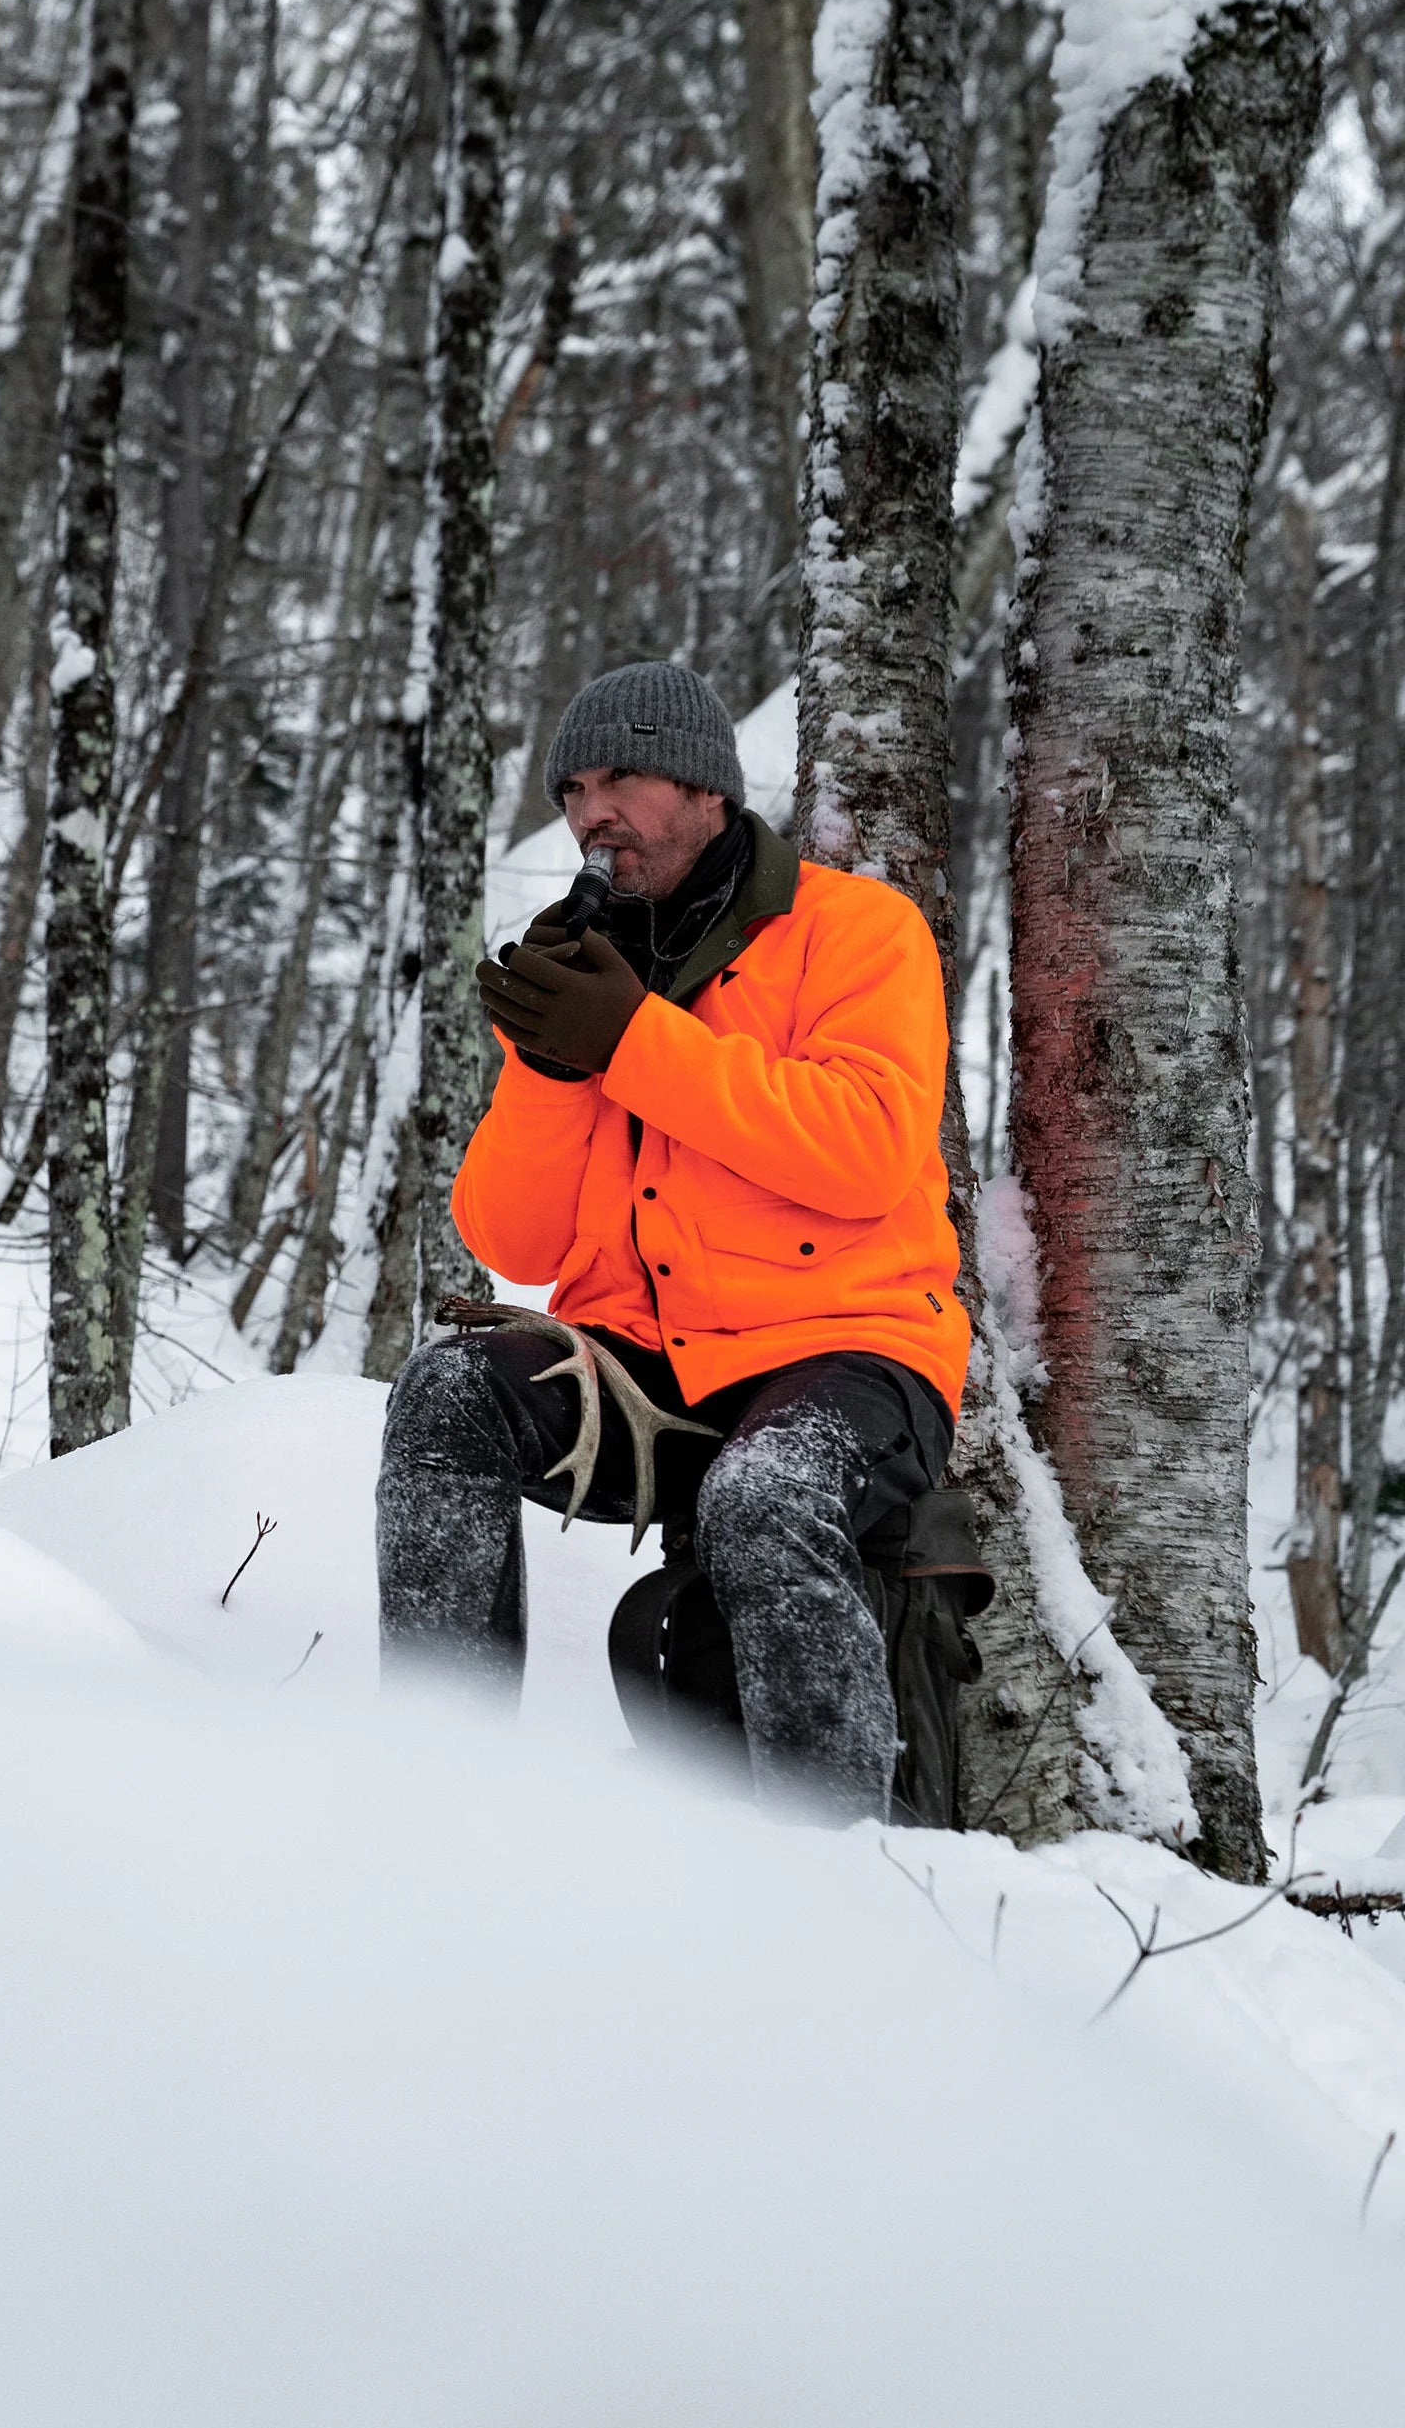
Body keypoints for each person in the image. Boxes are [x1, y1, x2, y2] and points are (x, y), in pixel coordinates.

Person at [374, 661, 969, 1822]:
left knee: (764, 1492)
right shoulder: (593, 964)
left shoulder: (855, 931)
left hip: (847, 1356)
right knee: (447, 1394)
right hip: (645, 1373)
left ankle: (838, 1877)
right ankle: (435, 1803)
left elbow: (865, 1151)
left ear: (704, 789)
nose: (594, 810)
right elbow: (509, 1234)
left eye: (623, 776)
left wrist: (632, 1037)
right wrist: (551, 1069)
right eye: (573, 789)